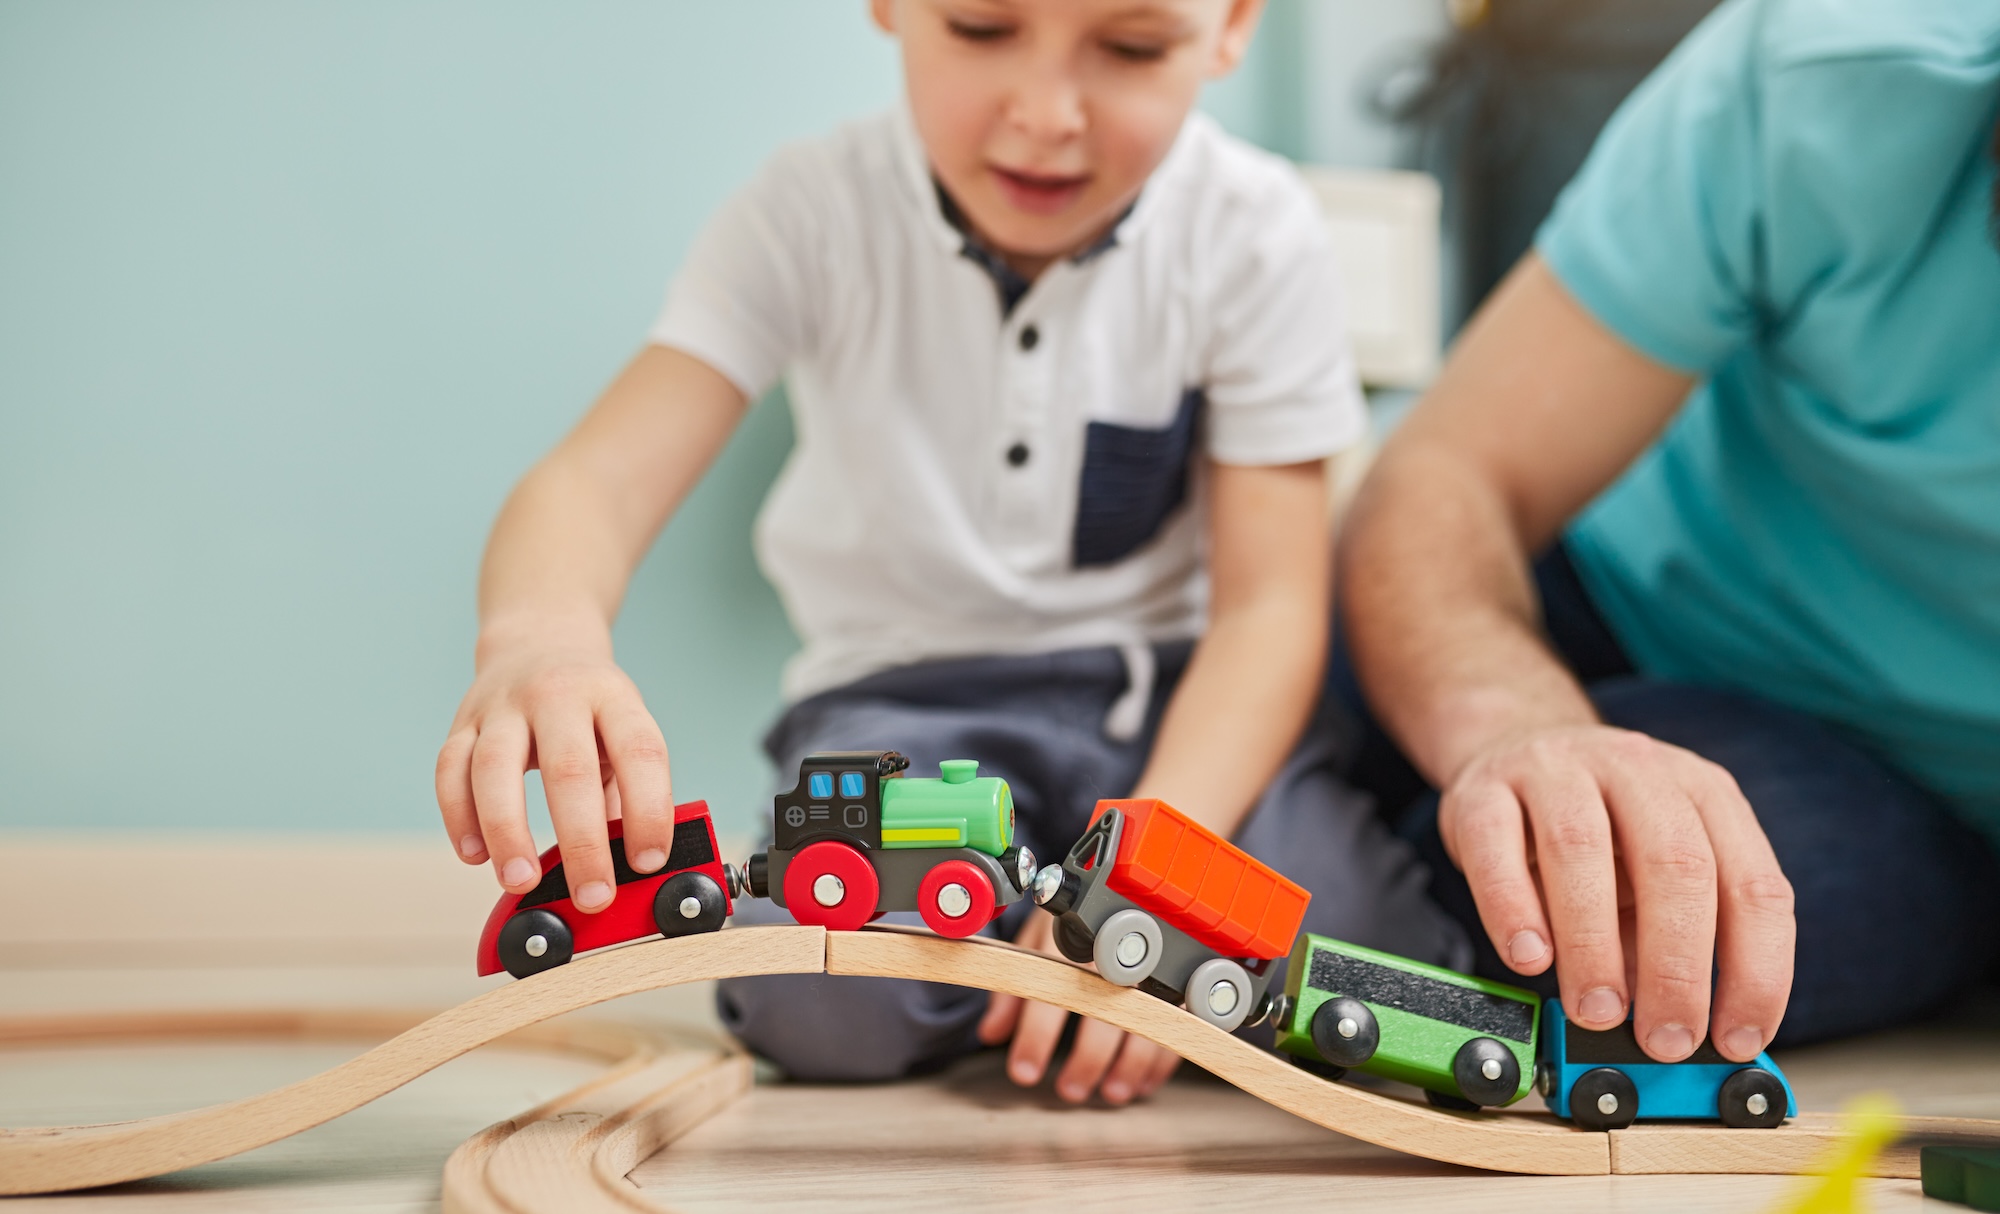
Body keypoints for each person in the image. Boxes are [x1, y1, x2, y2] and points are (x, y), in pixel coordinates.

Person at [436, 0, 1470, 1103]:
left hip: (1180, 717)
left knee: (1372, 967)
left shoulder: (1254, 231)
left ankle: (1045, 971)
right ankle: (1036, 974)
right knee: (819, 999)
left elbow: (1270, 611)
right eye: (981, 27)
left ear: (1229, 28)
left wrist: (1155, 880)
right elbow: (594, 480)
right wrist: (538, 639)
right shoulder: (809, 209)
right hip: (908, 712)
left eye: (1129, 48)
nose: (1047, 114)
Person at [1340, 0, 2000, 1070]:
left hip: (1903, 787)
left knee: (1605, 947)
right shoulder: (1831, 64)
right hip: (1596, 583)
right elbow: (1448, 473)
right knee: (1199, 705)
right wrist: (1514, 731)